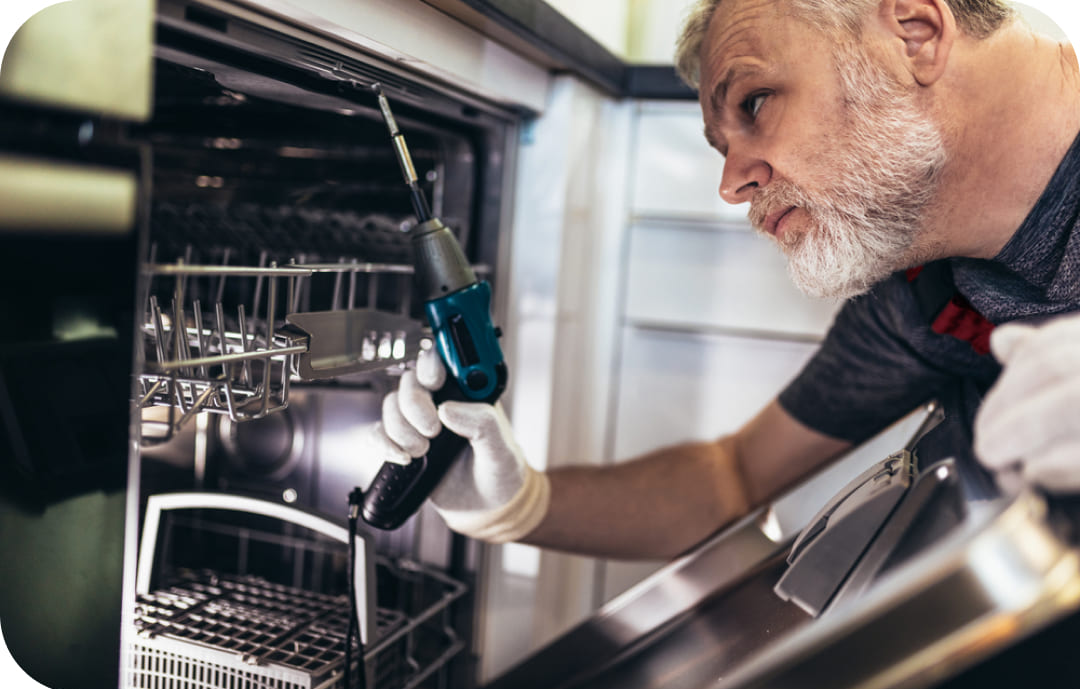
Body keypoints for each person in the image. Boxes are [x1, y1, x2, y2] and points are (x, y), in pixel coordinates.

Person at [362, 0, 1080, 560]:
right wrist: (518, 503)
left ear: (916, 33)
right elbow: (731, 477)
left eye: (755, 103)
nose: (732, 184)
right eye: (720, 146)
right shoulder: (927, 290)